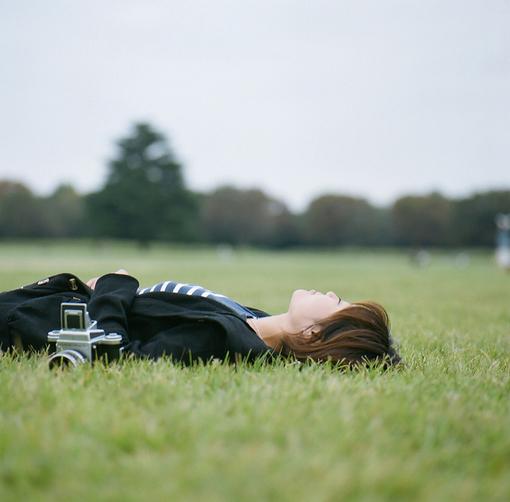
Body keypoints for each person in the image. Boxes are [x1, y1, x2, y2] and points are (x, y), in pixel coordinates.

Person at [0, 269, 400, 368]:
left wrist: (114, 286)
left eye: (339, 303)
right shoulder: (249, 319)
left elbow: (114, 353)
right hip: (42, 298)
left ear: (314, 333)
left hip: (23, 321)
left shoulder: (222, 340)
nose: (331, 293)